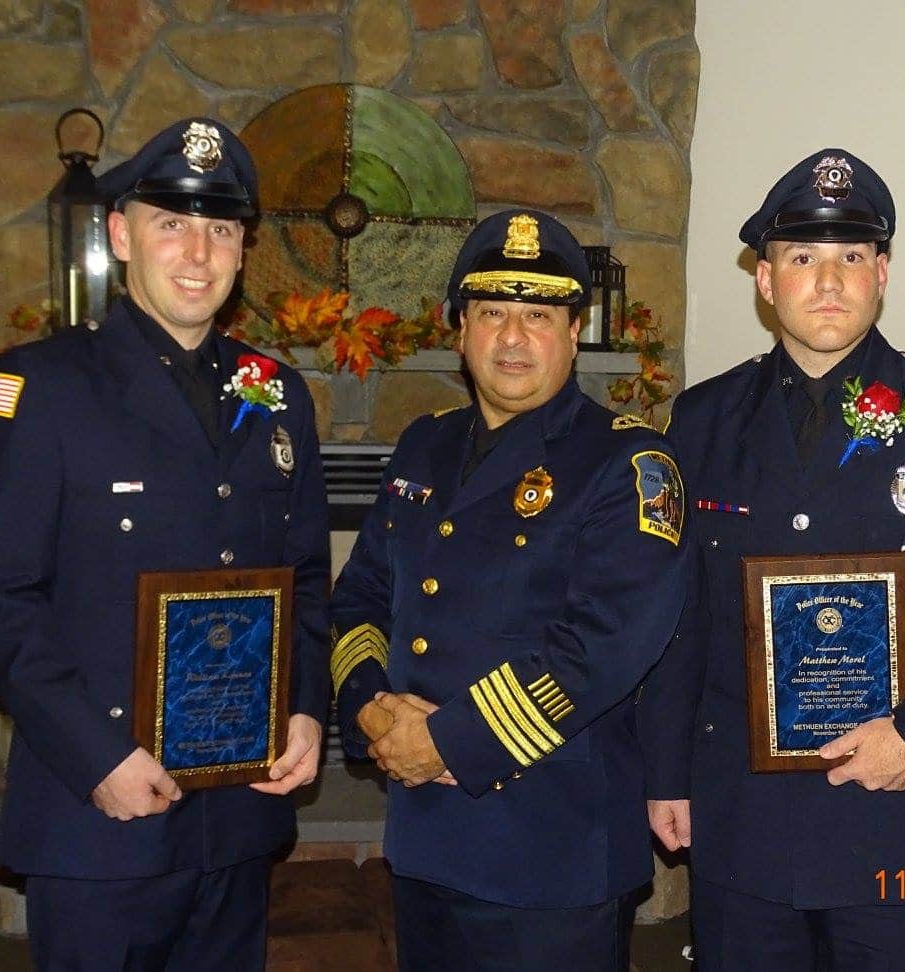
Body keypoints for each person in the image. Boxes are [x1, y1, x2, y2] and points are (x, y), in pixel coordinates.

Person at [639, 149, 905, 970]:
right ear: (765, 280)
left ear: (882, 272)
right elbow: (676, 616)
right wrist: (667, 770)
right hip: (744, 830)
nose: (827, 280)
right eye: (802, 257)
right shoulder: (700, 423)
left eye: (850, 257)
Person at [0, 118, 330, 970]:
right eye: (173, 223)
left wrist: (305, 706)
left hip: (238, 812)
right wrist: (101, 757)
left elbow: (307, 575)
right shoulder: (41, 388)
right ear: (122, 235)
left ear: (243, 249)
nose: (198, 253)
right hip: (99, 814)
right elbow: (3, 598)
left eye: (221, 228)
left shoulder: (277, 395)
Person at [329, 209, 688, 971]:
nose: (514, 338)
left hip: (551, 849)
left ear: (575, 330)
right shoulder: (425, 444)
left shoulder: (628, 464)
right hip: (426, 833)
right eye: (493, 313)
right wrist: (369, 706)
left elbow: (606, 648)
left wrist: (444, 740)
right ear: (460, 330)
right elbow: (359, 595)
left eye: (539, 316)